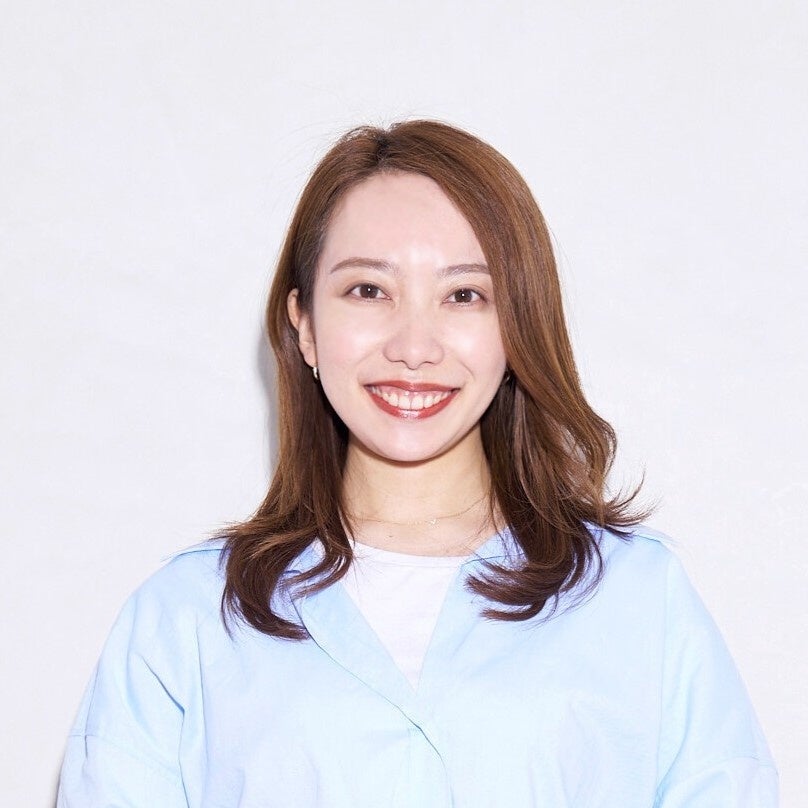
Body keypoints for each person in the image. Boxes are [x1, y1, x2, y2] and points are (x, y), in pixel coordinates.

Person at [57, 120, 777, 807]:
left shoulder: (639, 600)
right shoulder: (185, 618)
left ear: (517, 328)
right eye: (368, 290)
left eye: (464, 295)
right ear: (304, 325)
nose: (413, 347)